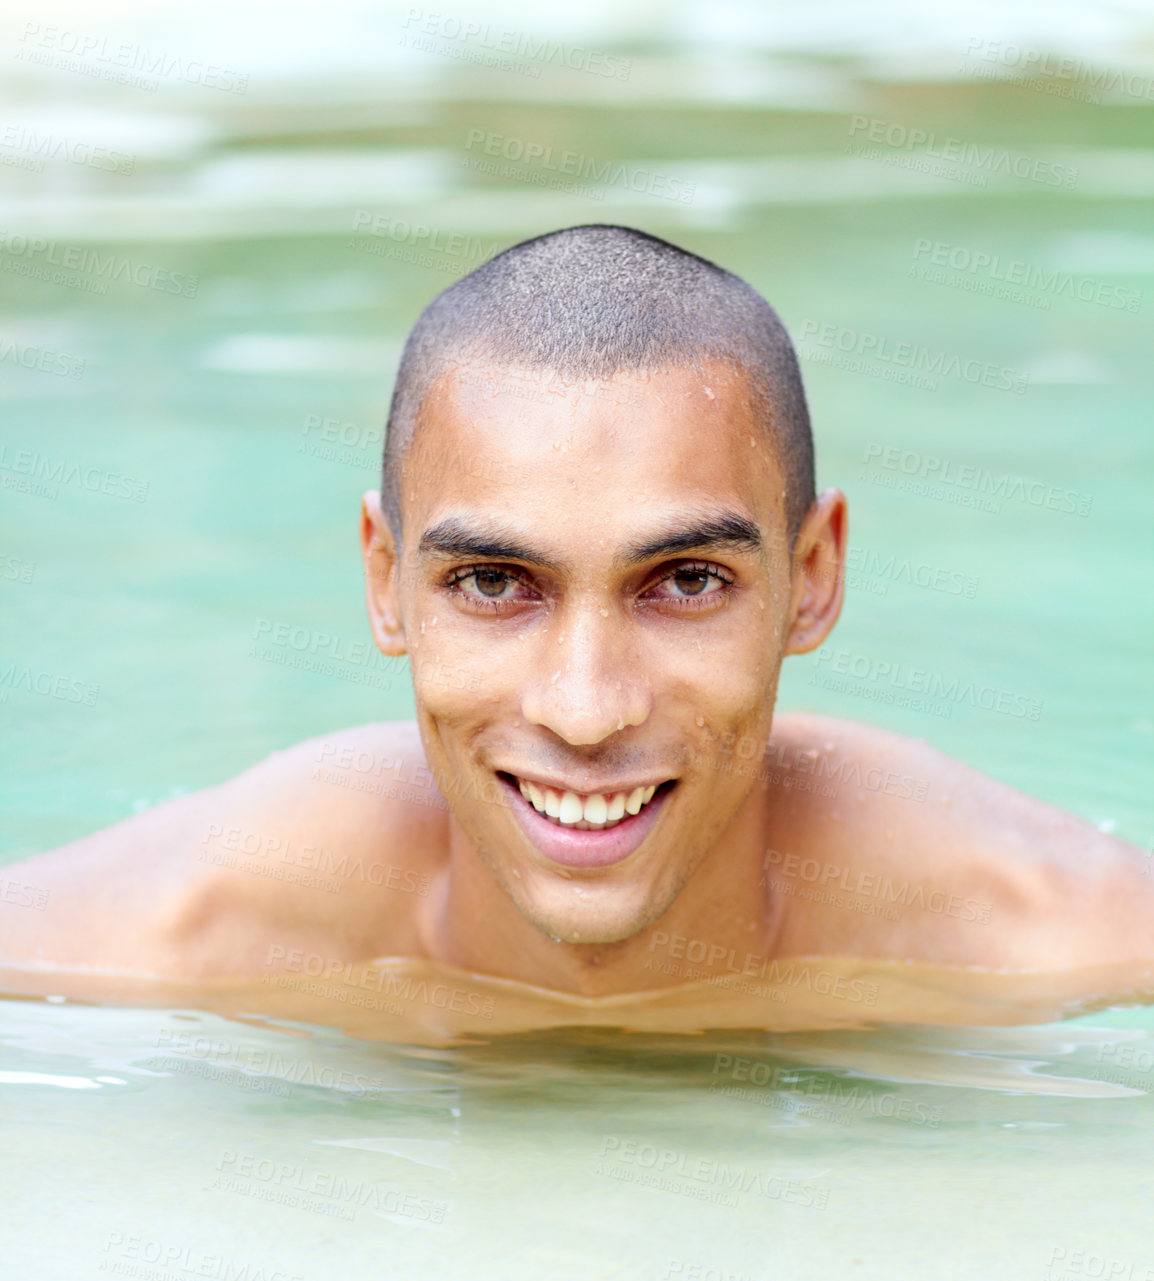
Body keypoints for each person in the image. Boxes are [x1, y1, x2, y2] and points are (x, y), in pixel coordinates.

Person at [2, 225, 1151, 1038]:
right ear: (385, 582)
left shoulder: (1048, 933)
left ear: (810, 576)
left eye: (685, 580)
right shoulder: (177, 930)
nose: (585, 707)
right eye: (495, 583)